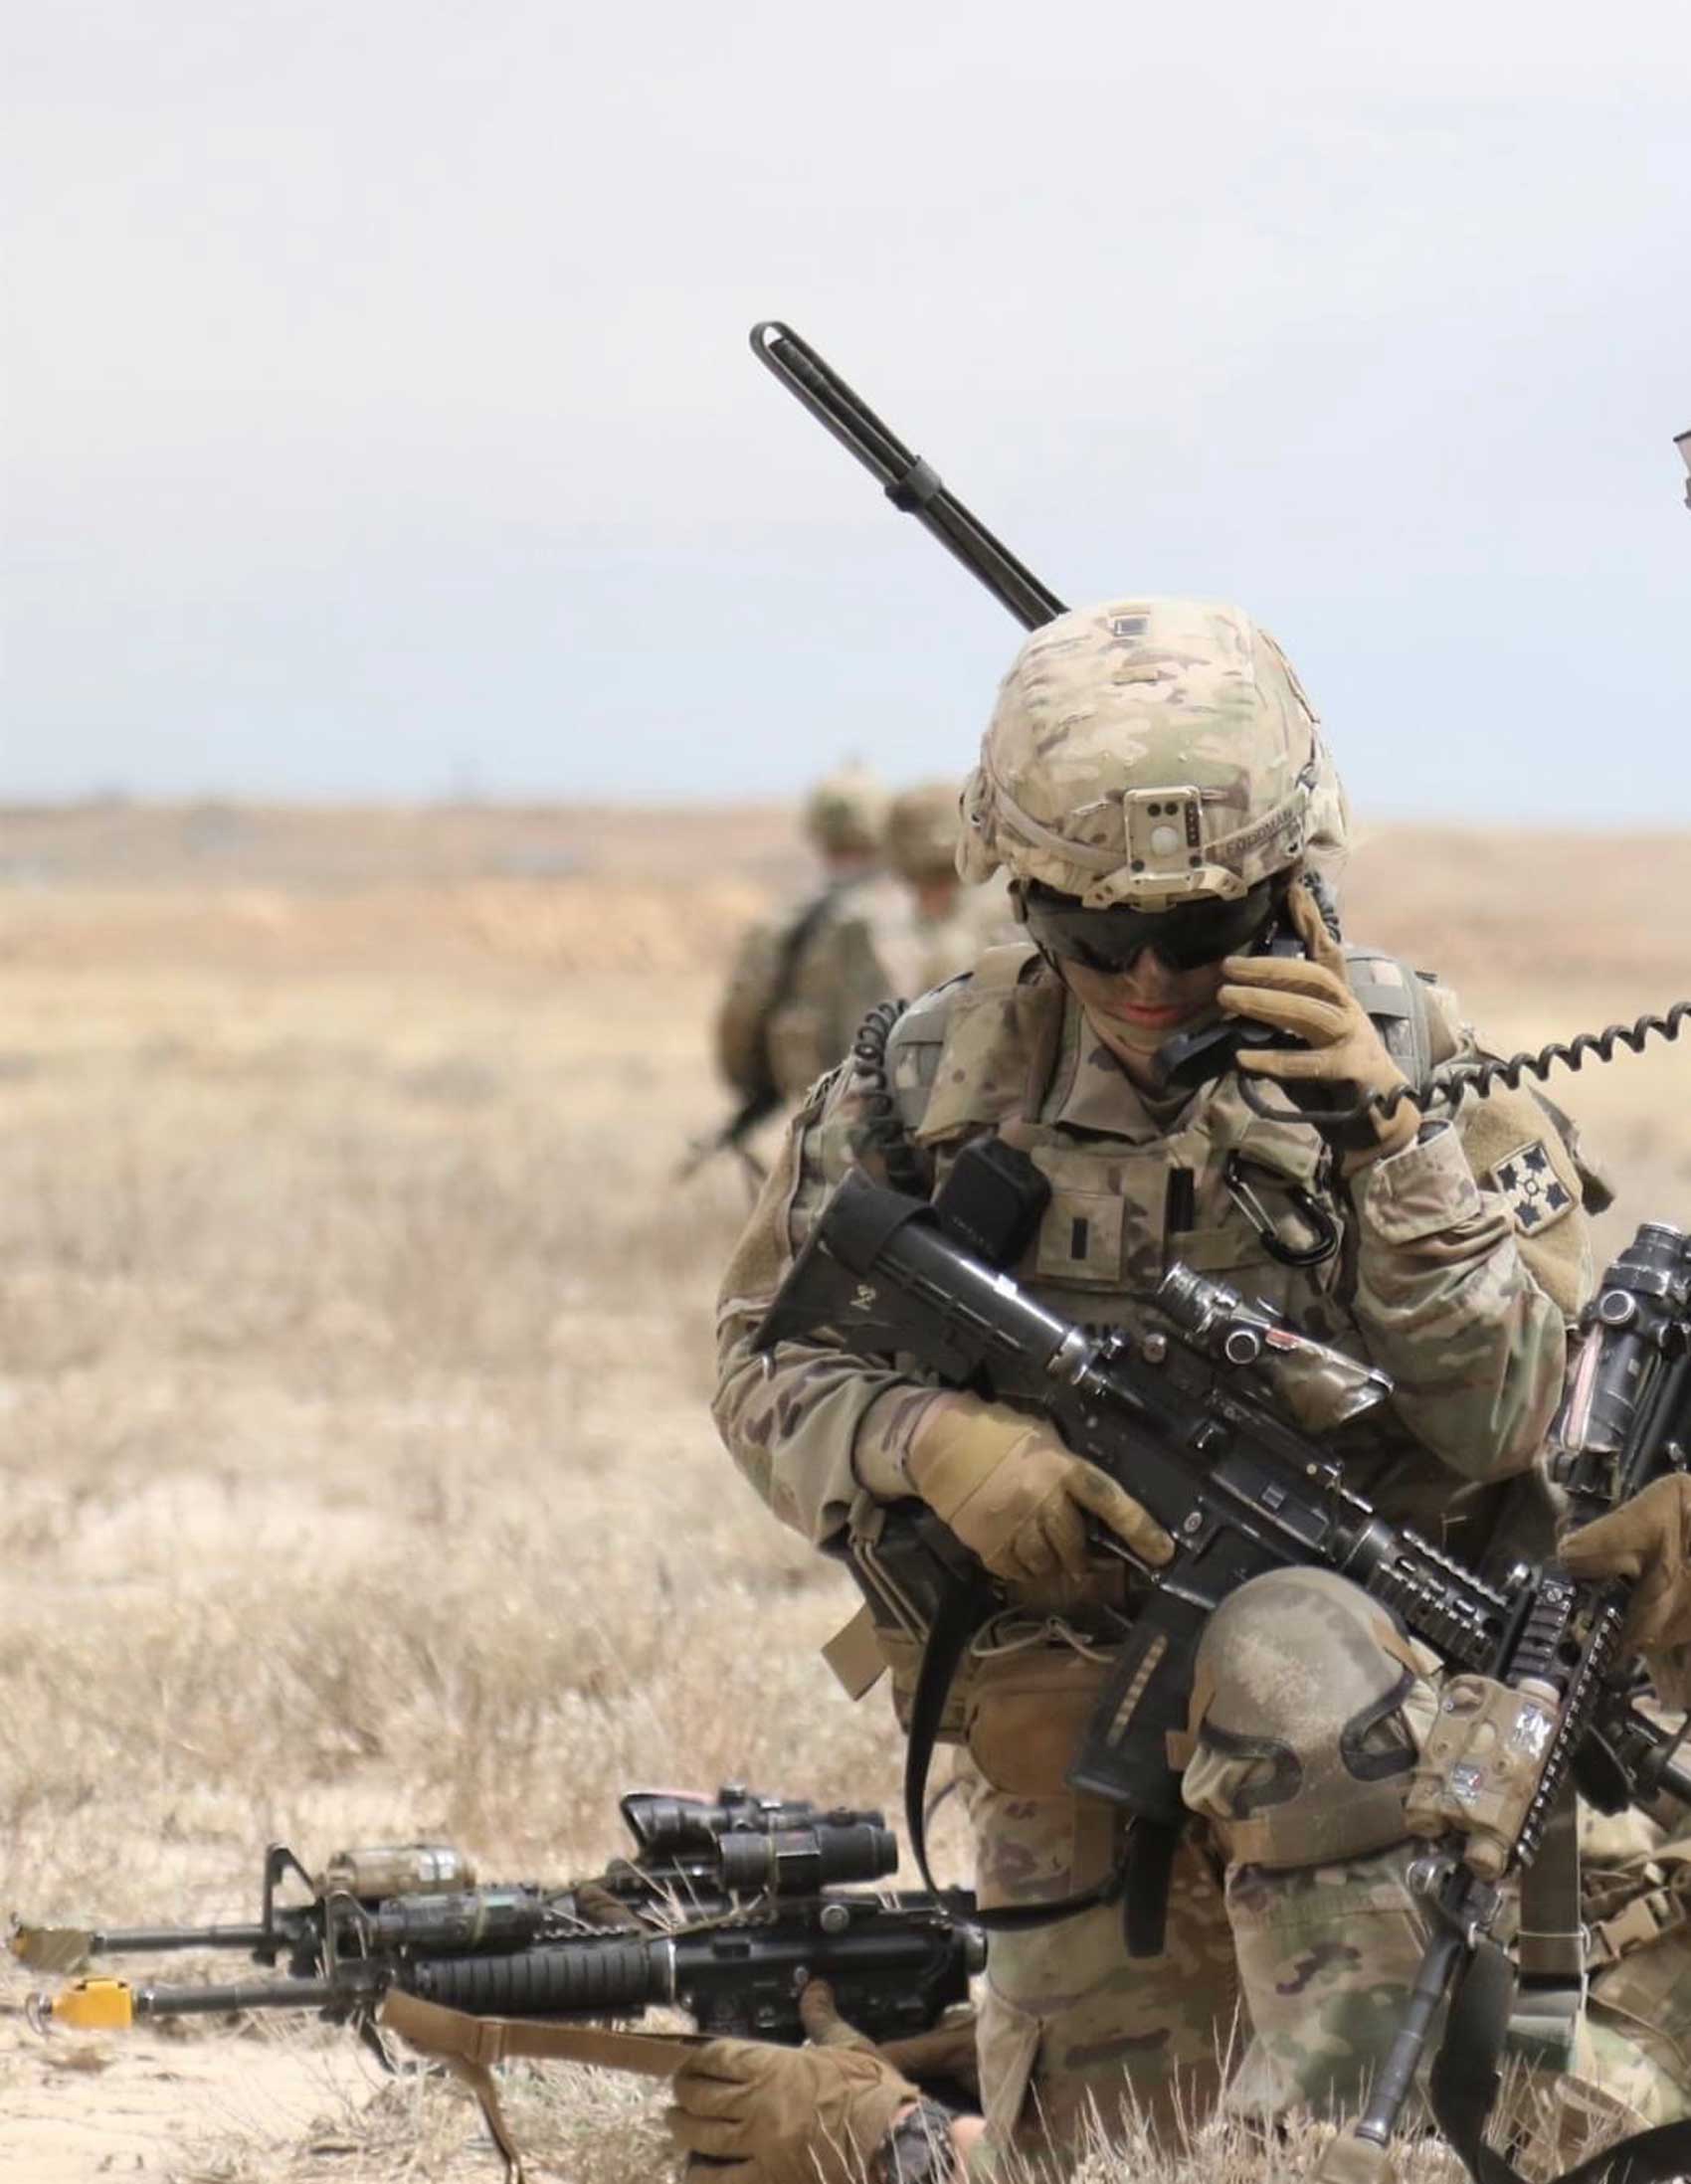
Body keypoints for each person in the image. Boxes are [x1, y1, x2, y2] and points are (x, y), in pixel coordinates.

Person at [691, 596, 1625, 2180]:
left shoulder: (1412, 1057)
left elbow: (1520, 1424)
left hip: (1380, 1745)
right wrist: (938, 1443)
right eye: (1088, 927)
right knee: (1115, 2155)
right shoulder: (925, 1078)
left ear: (1292, 882)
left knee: (1407, 2127)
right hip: (1076, 1726)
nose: (1143, 977)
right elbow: (768, 1364)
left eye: (1200, 932)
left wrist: (1394, 1158)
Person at [712, 764, 892, 1112]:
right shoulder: (924, 912)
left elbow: (741, 1015)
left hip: (825, 1110)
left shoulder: (788, 921)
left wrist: (753, 1087)